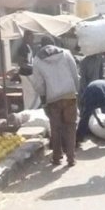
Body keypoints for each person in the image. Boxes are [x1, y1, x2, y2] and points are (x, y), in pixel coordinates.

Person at [32, 36, 79, 167]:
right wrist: (76, 91)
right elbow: (75, 74)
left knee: (56, 128)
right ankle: (71, 158)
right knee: (70, 127)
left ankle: (57, 157)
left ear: (41, 46)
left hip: (52, 98)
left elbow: (38, 84)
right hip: (69, 95)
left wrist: (43, 97)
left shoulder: (37, 60)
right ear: (54, 44)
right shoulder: (66, 53)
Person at [15, 31, 40, 111]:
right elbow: (21, 63)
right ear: (26, 37)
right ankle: (29, 110)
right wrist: (33, 67)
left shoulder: (28, 47)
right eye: (31, 37)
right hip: (26, 74)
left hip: (30, 74)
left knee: (33, 95)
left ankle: (32, 110)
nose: (33, 39)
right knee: (30, 95)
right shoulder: (23, 48)